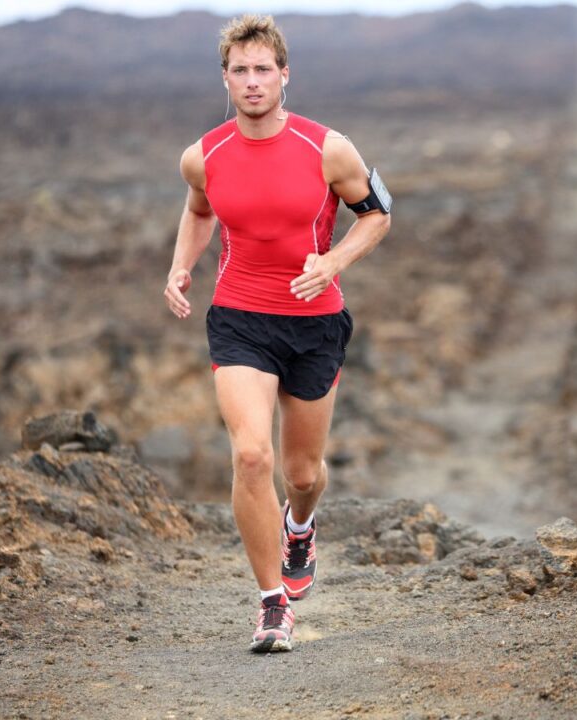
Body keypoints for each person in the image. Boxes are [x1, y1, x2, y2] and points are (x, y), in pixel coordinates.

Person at [163, 14, 391, 653]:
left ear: (284, 75)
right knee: (251, 455)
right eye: (241, 70)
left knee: (301, 471)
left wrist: (333, 263)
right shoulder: (203, 155)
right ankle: (272, 605)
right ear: (226, 79)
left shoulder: (328, 148)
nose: (253, 81)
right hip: (238, 320)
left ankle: (301, 525)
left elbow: (377, 216)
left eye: (264, 69)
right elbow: (199, 209)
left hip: (315, 323)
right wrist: (182, 265)